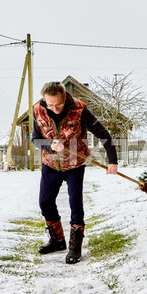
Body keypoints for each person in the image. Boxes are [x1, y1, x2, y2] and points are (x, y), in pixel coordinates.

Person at [31, 81, 118, 264]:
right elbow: (36, 140)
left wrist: (112, 161)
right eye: (50, 105)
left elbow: (103, 133)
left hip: (75, 164)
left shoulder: (80, 109)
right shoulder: (37, 110)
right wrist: (50, 145)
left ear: (65, 97)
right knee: (45, 203)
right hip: (51, 164)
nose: (54, 109)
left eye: (58, 104)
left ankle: (75, 247)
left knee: (75, 205)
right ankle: (57, 241)